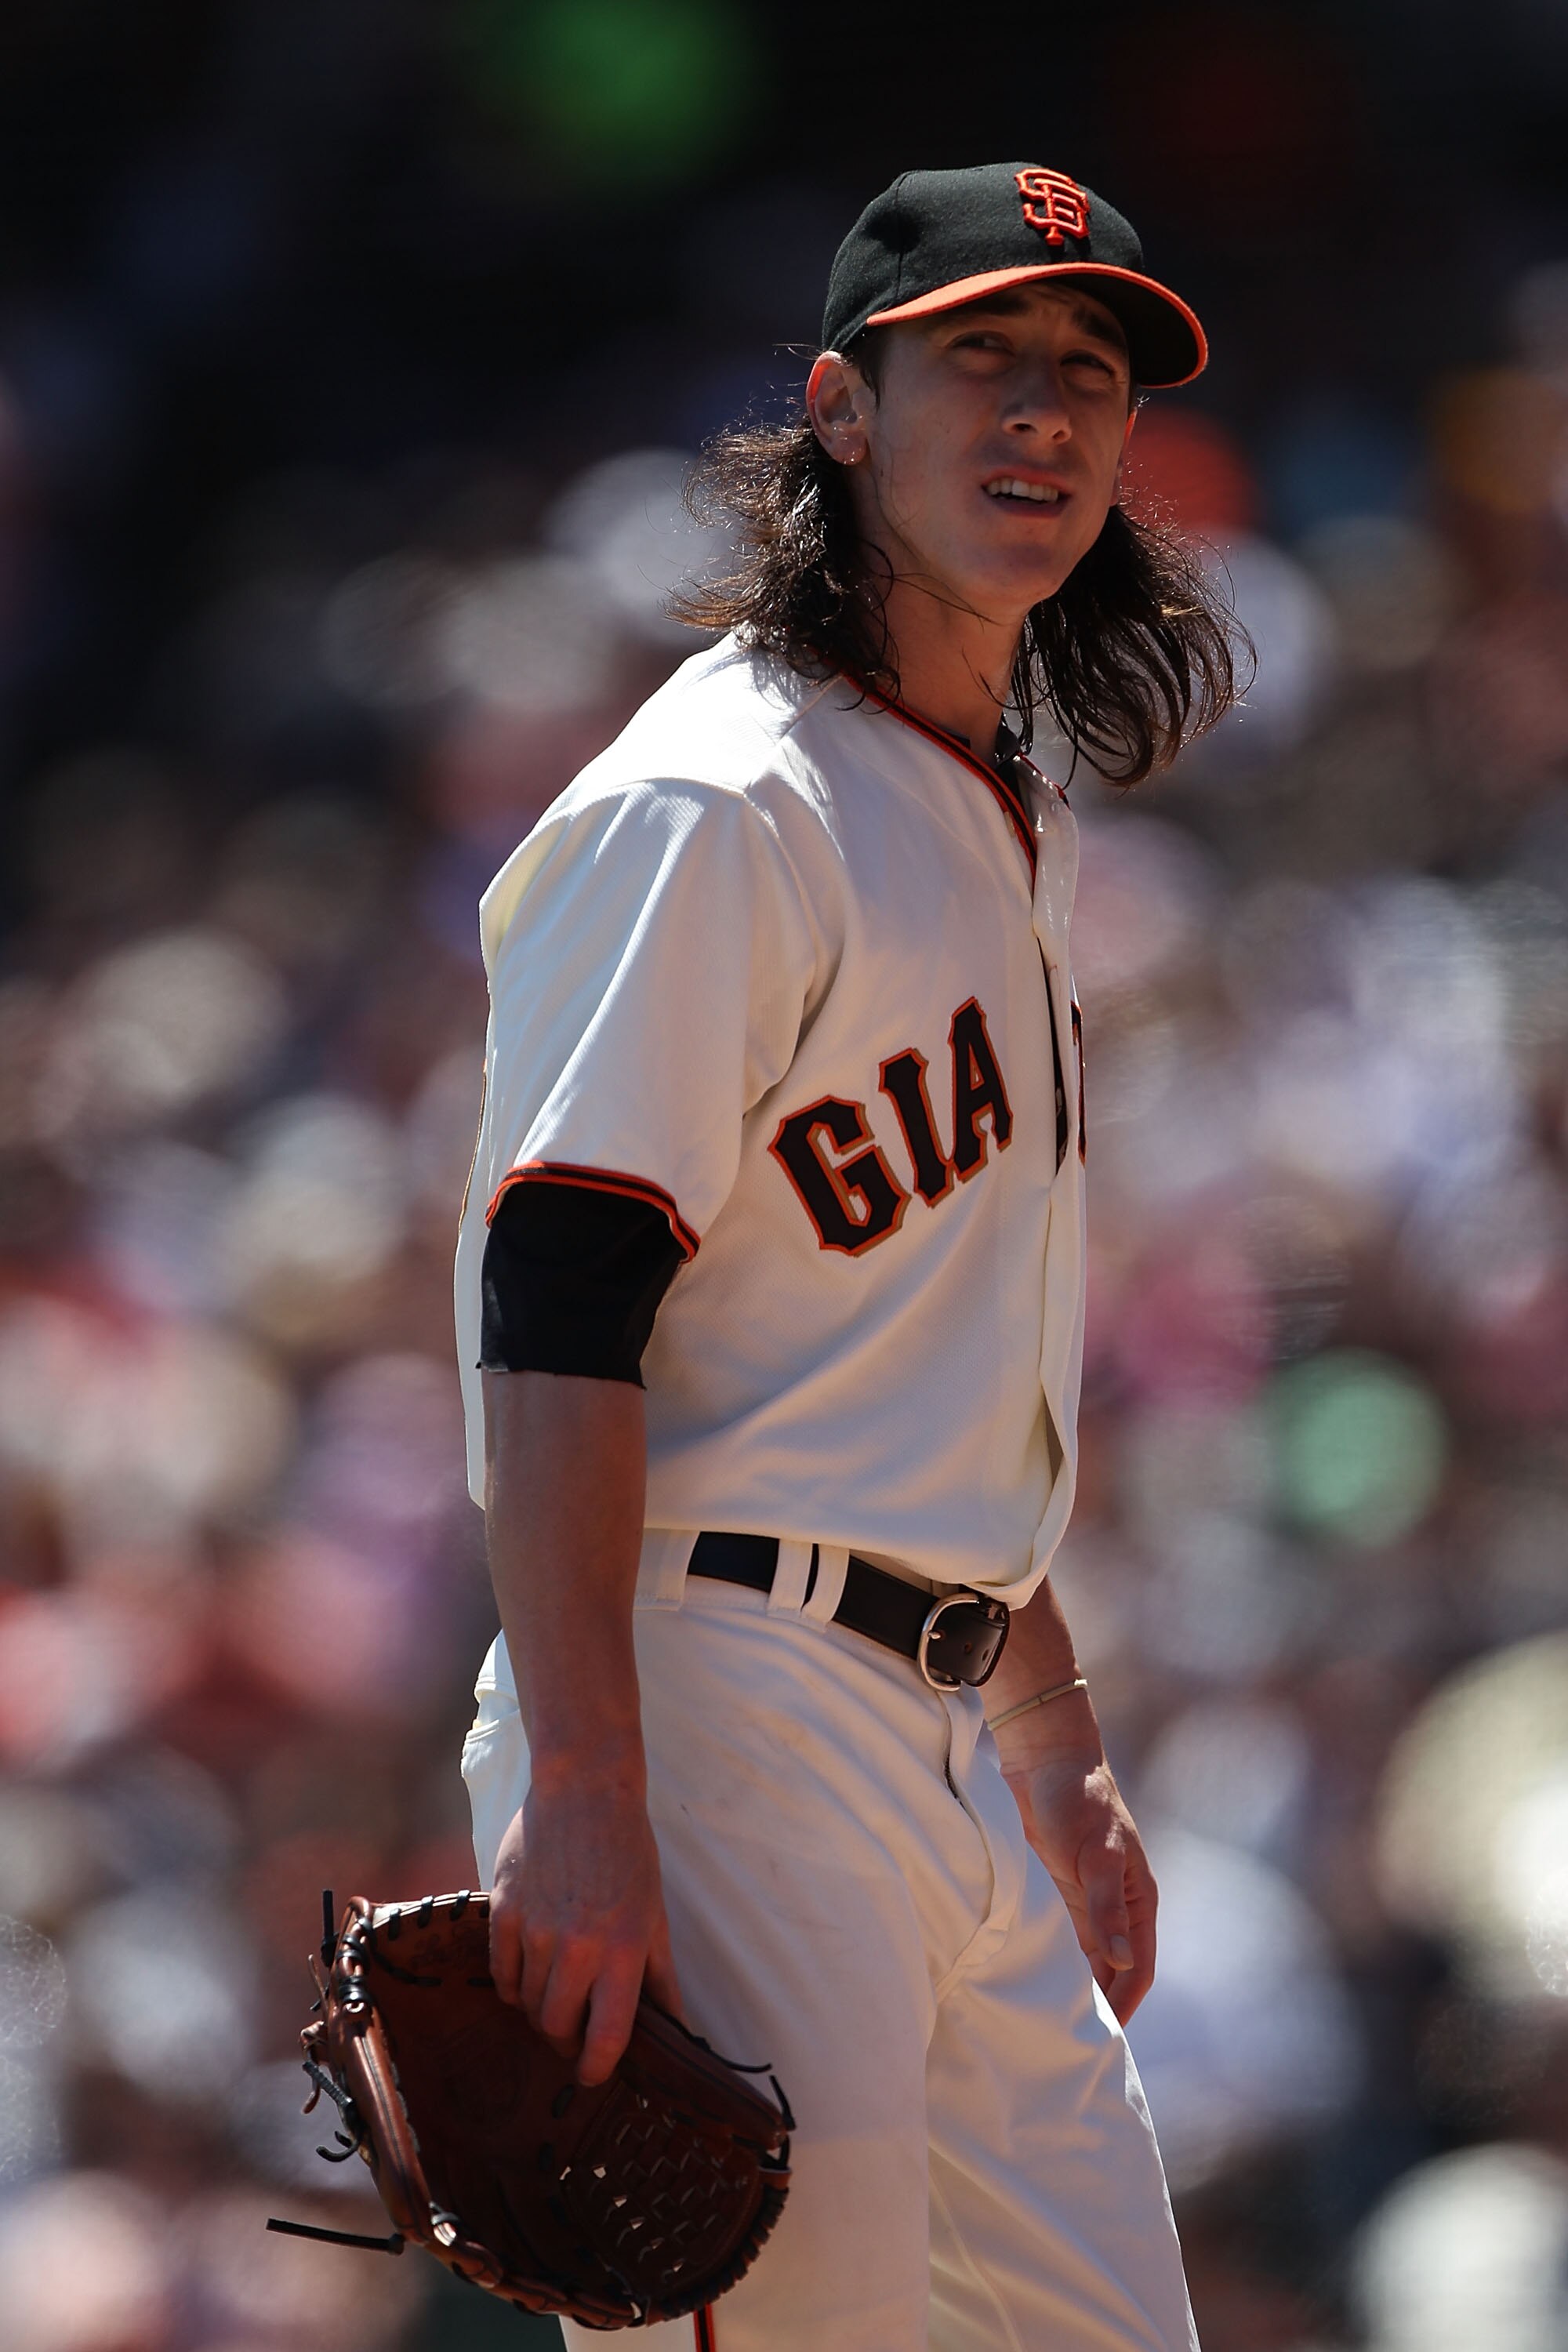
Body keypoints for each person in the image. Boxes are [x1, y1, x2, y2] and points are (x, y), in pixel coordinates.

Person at [456, 161, 1239, 2351]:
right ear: (837, 406)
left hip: (925, 1718)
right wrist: (594, 1799)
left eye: (1088, 371)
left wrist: (1054, 1725)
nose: (1045, 411)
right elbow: (559, 1309)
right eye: (979, 356)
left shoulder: (997, 804)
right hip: (708, 1706)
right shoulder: (718, 799)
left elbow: (919, 1342)